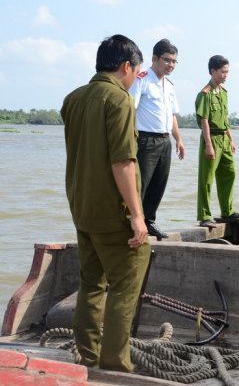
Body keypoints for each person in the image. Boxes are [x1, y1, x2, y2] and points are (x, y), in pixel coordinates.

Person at [60, 34, 150, 372]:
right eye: (136, 71)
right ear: (126, 67)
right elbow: (123, 162)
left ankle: (87, 354)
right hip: (113, 213)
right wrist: (138, 216)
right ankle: (115, 362)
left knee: (91, 284)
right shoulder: (119, 100)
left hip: (82, 208)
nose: (134, 78)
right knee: (126, 283)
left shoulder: (73, 99)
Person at [129, 39, 185, 240]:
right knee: (140, 184)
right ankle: (133, 223)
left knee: (159, 183)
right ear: (154, 58)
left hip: (164, 141)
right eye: (167, 60)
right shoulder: (142, 79)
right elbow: (129, 109)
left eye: (174, 61)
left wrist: (178, 140)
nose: (171, 65)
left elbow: (172, 116)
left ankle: (149, 221)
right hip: (145, 140)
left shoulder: (169, 85)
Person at [195, 55, 239, 227]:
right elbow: (204, 121)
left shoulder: (223, 92)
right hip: (212, 139)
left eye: (227, 71)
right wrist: (208, 145)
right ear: (213, 71)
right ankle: (204, 216)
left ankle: (227, 211)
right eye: (223, 71)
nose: (225, 75)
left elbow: (225, 119)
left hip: (224, 138)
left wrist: (231, 139)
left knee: (230, 173)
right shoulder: (205, 94)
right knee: (206, 179)